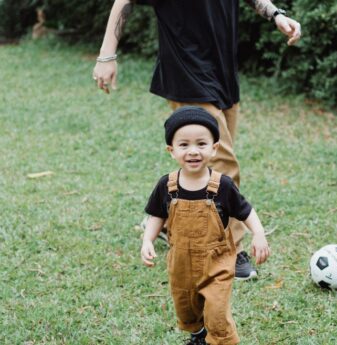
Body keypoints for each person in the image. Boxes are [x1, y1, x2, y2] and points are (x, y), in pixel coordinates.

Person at [93, 0, 300, 280]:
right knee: (224, 164)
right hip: (185, 69)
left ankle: (169, 222)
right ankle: (229, 250)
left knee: (208, 165)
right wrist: (107, 55)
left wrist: (275, 14)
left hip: (222, 70)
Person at [140, 106, 270, 345]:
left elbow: (245, 211)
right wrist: (148, 239)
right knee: (186, 309)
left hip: (216, 264)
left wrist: (259, 233)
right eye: (184, 145)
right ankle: (199, 335)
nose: (193, 151)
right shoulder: (166, 185)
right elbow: (156, 214)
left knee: (217, 313)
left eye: (201, 144)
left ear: (214, 148)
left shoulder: (222, 185)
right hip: (180, 264)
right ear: (171, 150)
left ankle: (219, 340)